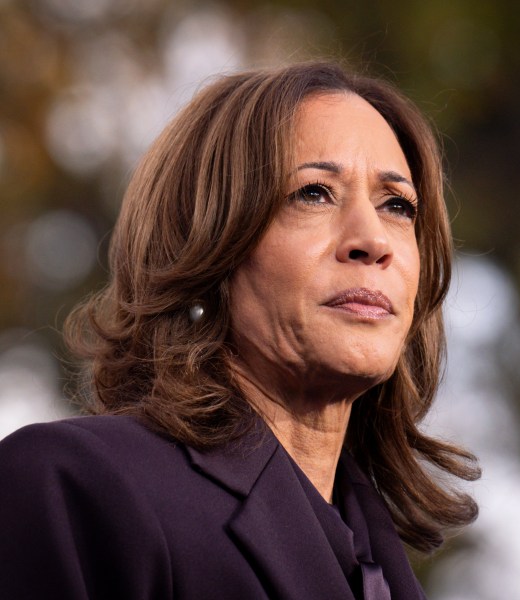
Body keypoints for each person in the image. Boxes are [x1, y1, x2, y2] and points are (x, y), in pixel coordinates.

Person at [0, 62, 479, 599]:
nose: (373, 240)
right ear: (207, 247)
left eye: (397, 205)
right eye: (314, 193)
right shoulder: (71, 488)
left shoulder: (383, 568)